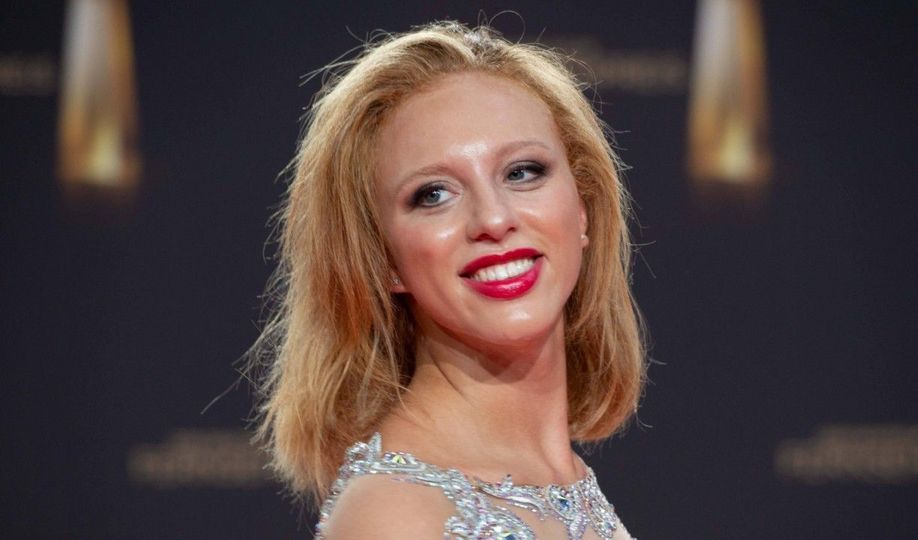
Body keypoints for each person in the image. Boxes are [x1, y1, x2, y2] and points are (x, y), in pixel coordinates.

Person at [249, 20, 647, 540]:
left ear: (582, 208)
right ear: (381, 257)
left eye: (522, 172)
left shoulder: (562, 476)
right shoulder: (395, 516)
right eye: (433, 194)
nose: (493, 219)